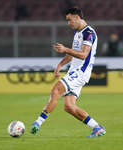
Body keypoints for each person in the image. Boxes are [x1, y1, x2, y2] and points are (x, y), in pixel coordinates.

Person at [31, 6, 106, 138]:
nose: (68, 23)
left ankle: (38, 123)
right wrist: (59, 65)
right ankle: (97, 128)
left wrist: (65, 49)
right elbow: (72, 54)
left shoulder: (88, 33)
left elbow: (83, 55)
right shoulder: (77, 33)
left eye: (69, 19)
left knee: (55, 91)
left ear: (77, 17)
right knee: (69, 107)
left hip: (80, 72)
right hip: (74, 71)